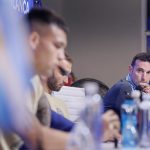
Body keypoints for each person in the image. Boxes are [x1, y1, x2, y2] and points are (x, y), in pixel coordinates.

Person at [104, 52, 150, 117]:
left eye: (148, 72)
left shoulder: (139, 88)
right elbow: (132, 119)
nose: (144, 77)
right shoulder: (124, 87)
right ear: (130, 69)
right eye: (140, 71)